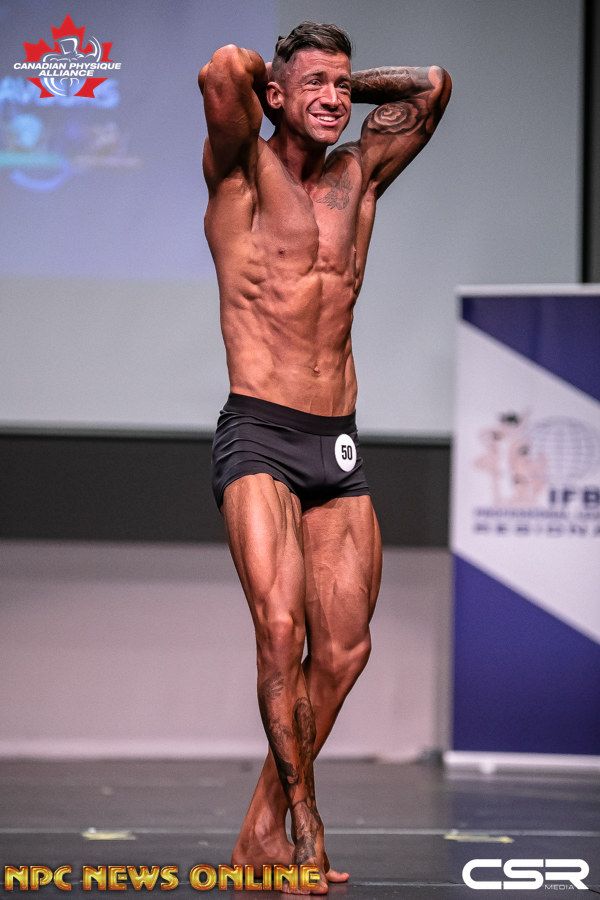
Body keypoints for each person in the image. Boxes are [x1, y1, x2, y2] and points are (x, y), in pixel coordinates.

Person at [199, 21, 451, 893]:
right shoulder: (239, 174)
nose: (336, 99)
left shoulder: (359, 176)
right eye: (316, 84)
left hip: (336, 443)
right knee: (281, 630)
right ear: (273, 95)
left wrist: (336, 87)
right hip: (260, 435)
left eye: (344, 85)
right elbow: (223, 70)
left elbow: (432, 85)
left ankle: (258, 829)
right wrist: (283, 84)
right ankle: (305, 826)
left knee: (343, 652)